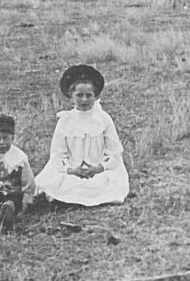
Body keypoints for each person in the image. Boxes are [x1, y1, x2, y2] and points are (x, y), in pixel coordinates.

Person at [35, 64, 129, 207]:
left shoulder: (103, 119)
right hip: (73, 170)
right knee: (54, 182)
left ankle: (74, 195)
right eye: (79, 95)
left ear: (95, 96)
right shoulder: (65, 121)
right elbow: (58, 154)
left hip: (98, 170)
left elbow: (114, 152)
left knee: (107, 182)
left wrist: (99, 168)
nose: (84, 100)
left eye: (88, 95)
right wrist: (71, 170)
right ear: (71, 96)